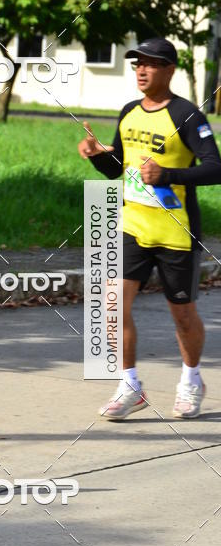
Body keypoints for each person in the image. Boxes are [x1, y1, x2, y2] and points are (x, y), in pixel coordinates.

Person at [78, 37, 221, 420]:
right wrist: (97, 156)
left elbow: (215, 167)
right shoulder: (129, 112)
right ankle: (130, 386)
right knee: (112, 305)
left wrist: (168, 175)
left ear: (169, 70)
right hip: (133, 225)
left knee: (183, 315)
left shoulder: (187, 115)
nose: (141, 70)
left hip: (176, 231)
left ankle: (191, 380)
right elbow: (119, 168)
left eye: (150, 63)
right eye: (137, 63)